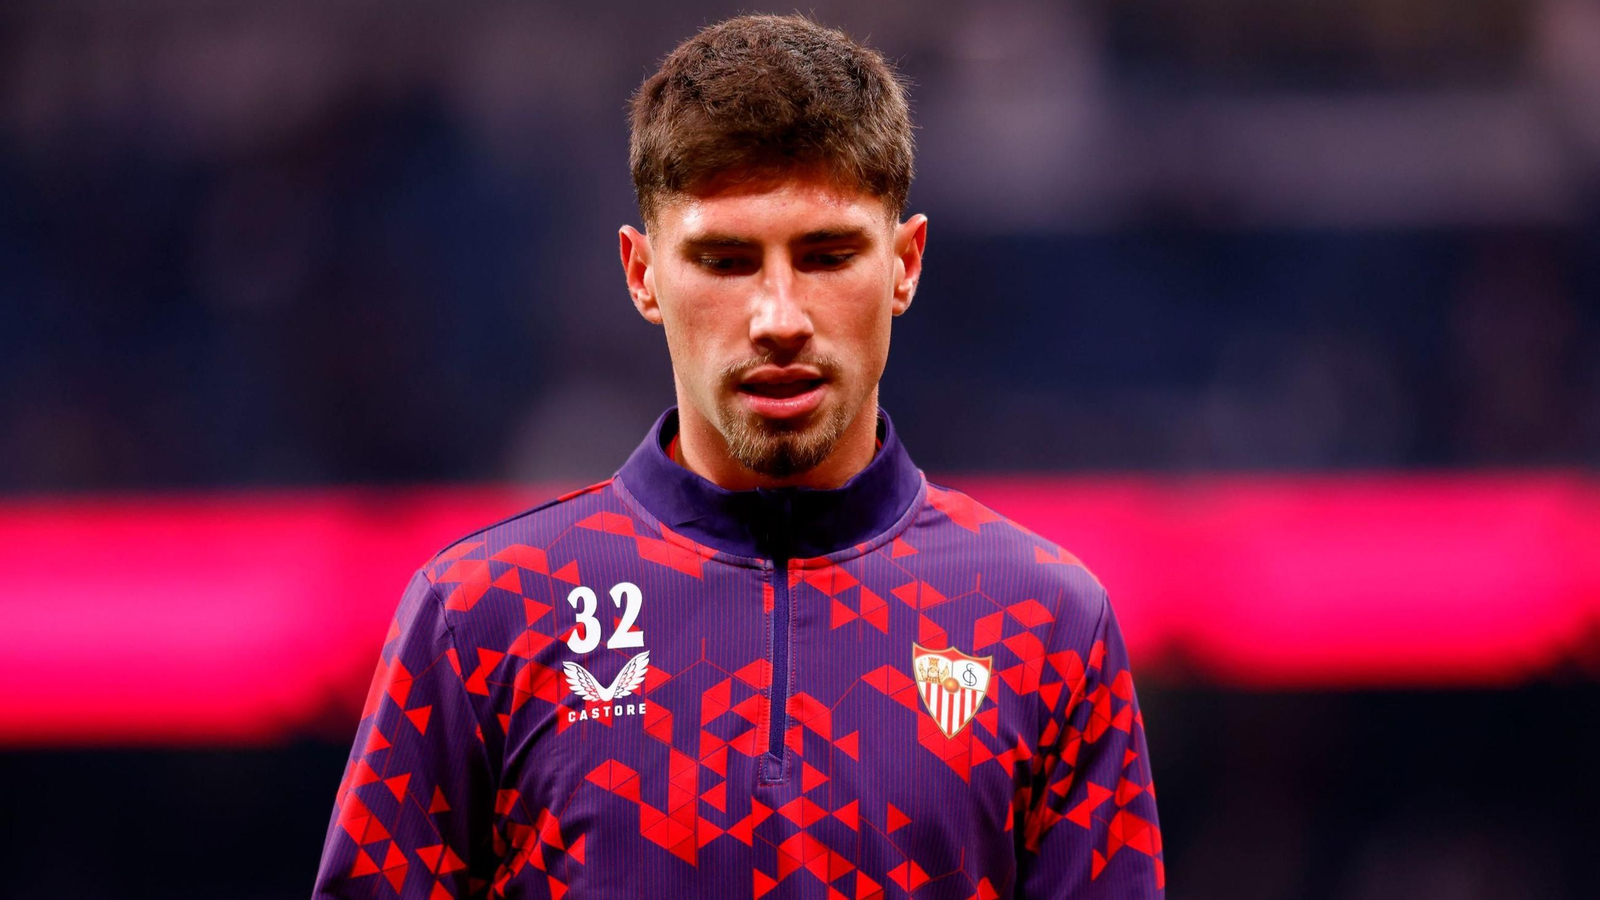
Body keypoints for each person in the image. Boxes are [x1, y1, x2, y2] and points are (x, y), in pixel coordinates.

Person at [311, 13, 1163, 899]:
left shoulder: (1045, 623)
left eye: (827, 256)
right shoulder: (481, 616)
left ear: (905, 263)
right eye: (724, 261)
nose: (779, 318)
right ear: (642, 274)